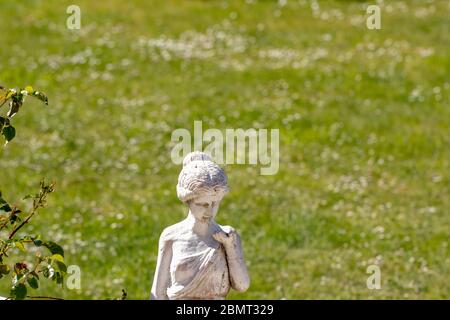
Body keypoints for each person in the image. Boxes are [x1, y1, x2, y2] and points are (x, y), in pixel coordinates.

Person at [151, 151, 250, 300]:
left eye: (215, 203)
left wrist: (230, 247)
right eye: (202, 204)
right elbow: (158, 293)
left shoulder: (228, 236)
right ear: (188, 200)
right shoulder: (171, 236)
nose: (209, 210)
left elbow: (242, 285)